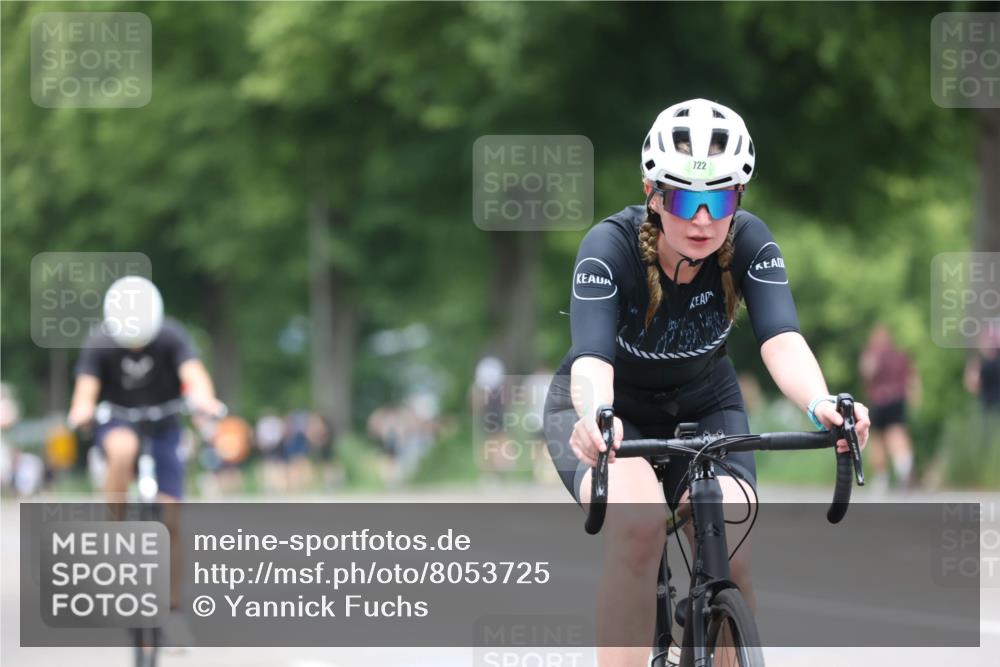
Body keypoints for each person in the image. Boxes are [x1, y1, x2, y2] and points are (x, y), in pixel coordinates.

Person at [542, 98, 870, 664]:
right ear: (653, 194)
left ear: (737, 198)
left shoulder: (749, 241)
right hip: (608, 411)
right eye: (683, 199)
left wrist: (822, 404)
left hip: (704, 401)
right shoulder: (607, 249)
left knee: (733, 530)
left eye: (718, 199)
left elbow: (781, 338)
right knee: (641, 526)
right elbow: (592, 361)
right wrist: (597, 416)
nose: (701, 219)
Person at [66, 275, 224, 633]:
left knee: (171, 519)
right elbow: (85, 391)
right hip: (117, 421)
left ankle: (173, 608)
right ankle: (113, 527)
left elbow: (195, 376)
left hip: (164, 426)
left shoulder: (171, 336)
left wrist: (204, 401)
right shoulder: (100, 342)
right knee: (123, 448)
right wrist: (81, 410)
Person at [859, 323, 918, 490]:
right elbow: (912, 378)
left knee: (883, 437)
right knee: (893, 435)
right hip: (896, 398)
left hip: (881, 400)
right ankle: (900, 473)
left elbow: (867, 373)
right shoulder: (900, 355)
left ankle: (888, 476)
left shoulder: (873, 354)